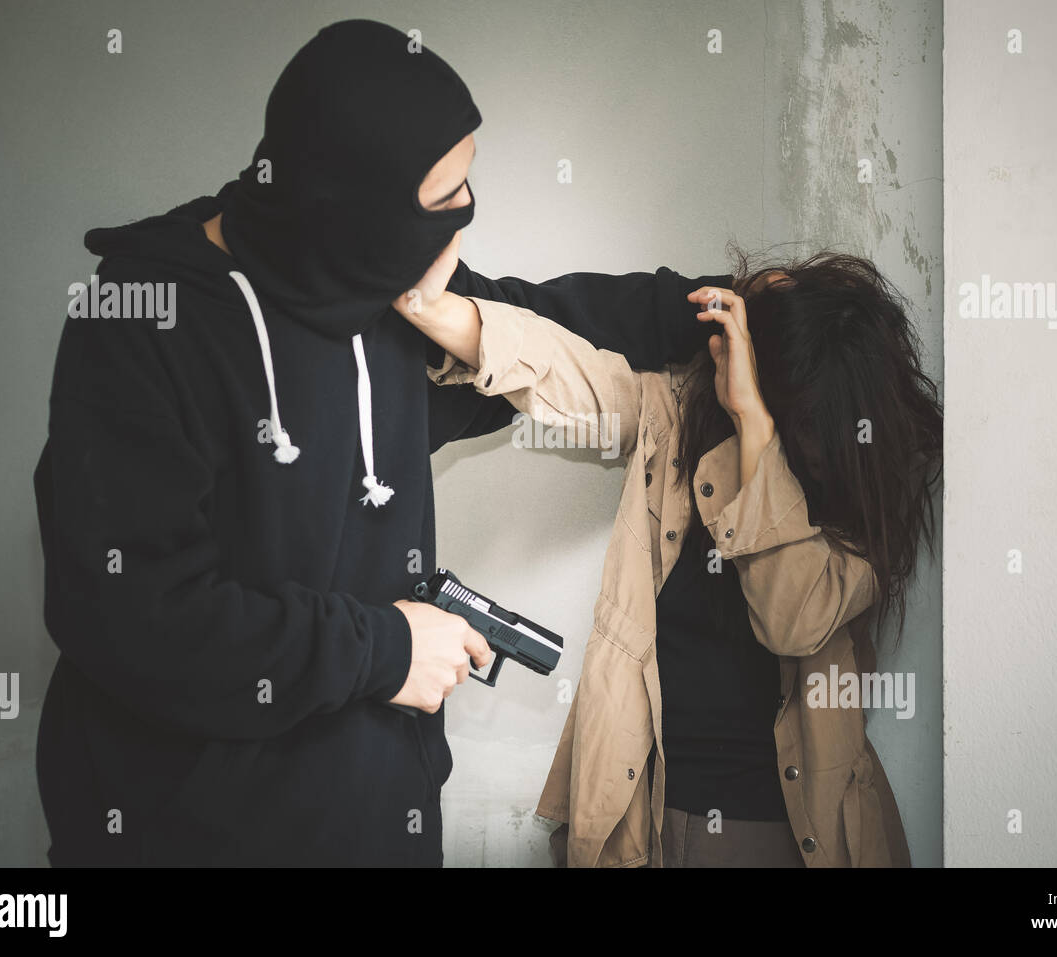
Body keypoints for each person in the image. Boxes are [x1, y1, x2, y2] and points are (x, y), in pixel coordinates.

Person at [32, 19, 729, 866]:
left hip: (373, 825)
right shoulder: (143, 324)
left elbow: (534, 321)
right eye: (444, 205)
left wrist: (716, 305)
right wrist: (388, 649)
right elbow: (134, 617)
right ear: (354, 207)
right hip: (176, 830)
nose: (463, 228)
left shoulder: (379, 282)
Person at [399, 237, 944, 867]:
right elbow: (569, 374)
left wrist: (755, 426)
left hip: (786, 835)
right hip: (646, 817)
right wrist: (430, 308)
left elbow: (792, 619)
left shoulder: (867, 498)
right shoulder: (679, 420)